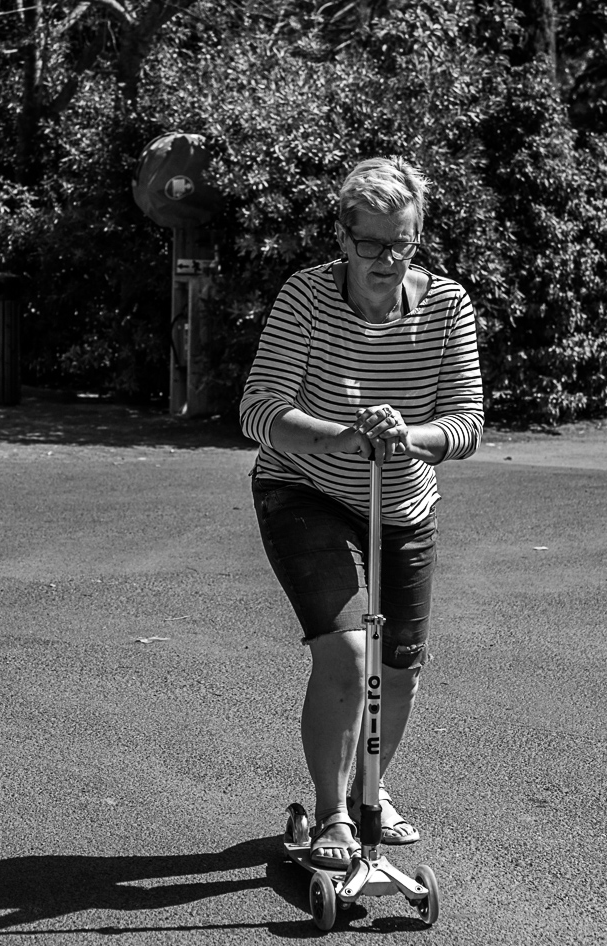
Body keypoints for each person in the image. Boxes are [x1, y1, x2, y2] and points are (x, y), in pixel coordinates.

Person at [239, 157, 484, 869]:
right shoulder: (307, 298)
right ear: (342, 237)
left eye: (401, 242)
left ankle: (370, 790)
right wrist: (345, 436)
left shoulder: (447, 305)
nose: (386, 258)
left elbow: (467, 421)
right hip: (304, 487)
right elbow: (260, 411)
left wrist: (412, 437)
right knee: (349, 653)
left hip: (402, 500)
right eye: (371, 242)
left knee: (400, 666)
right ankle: (333, 813)